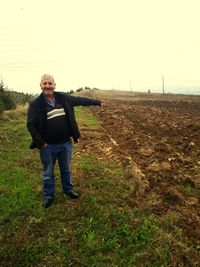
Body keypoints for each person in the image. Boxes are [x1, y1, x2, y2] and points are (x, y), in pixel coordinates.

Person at [27, 74, 104, 208]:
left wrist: (98, 102)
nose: (47, 86)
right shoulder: (35, 104)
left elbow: (80, 100)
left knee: (66, 169)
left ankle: (68, 190)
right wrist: (41, 143)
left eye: (50, 83)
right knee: (48, 172)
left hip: (65, 144)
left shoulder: (64, 98)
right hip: (47, 146)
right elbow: (31, 125)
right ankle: (49, 196)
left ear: (54, 85)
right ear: (40, 86)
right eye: (45, 83)